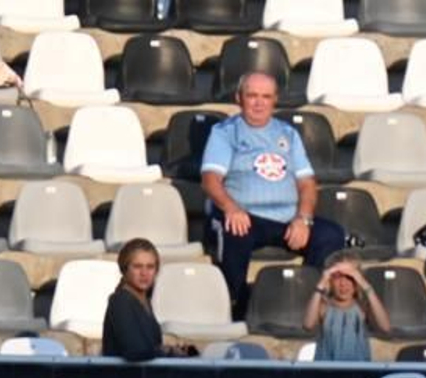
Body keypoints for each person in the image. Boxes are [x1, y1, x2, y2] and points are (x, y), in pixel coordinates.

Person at [200, 72, 346, 311]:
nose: (259, 103)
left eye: (266, 97)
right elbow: (210, 179)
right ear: (239, 98)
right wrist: (231, 208)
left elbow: (307, 183)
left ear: (275, 100)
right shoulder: (224, 132)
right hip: (245, 215)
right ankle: (234, 306)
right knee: (235, 232)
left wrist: (304, 218)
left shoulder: (288, 134)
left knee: (330, 234)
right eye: (252, 96)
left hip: (287, 217)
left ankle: (304, 301)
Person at [100, 239, 199, 362]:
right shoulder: (120, 301)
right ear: (125, 270)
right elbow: (135, 351)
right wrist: (165, 351)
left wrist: (172, 350)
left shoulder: (145, 300)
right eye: (137, 266)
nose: (144, 273)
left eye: (150, 267)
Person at [302, 251, 390, 363]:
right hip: (327, 372)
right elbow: (308, 325)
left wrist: (365, 285)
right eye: (337, 277)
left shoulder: (362, 308)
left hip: (358, 372)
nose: (343, 284)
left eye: (349, 277)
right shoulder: (324, 307)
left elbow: (385, 327)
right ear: (330, 281)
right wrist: (321, 284)